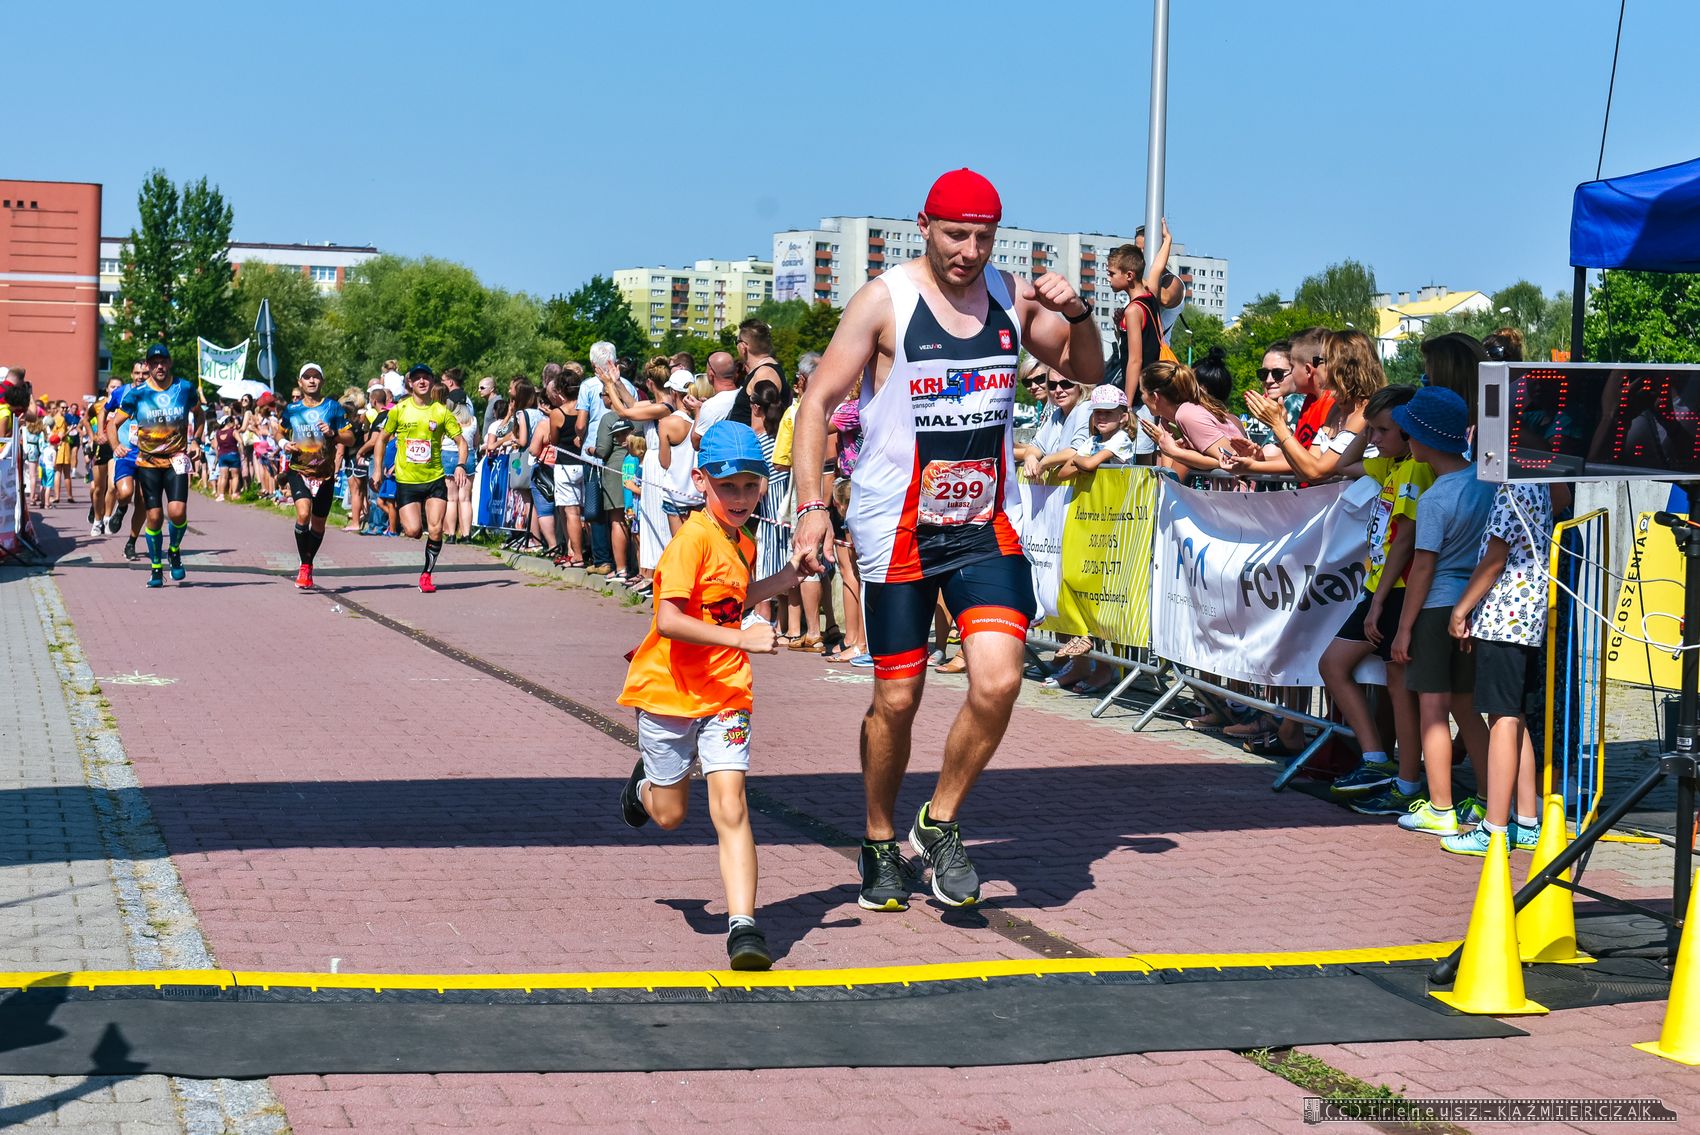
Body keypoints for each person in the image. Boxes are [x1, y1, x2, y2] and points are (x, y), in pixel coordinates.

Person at [790, 168, 1103, 910]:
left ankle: (940, 820)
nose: (969, 251)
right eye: (956, 235)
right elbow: (817, 402)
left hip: (984, 523)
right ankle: (878, 838)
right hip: (897, 525)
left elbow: (1087, 369)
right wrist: (811, 505)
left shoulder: (1010, 295)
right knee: (897, 698)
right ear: (924, 226)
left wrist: (1081, 311)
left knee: (998, 680)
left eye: (984, 238)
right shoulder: (884, 301)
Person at [617, 421, 799, 971]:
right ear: (701, 481)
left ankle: (744, 927)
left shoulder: (743, 542)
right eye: (728, 487)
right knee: (670, 816)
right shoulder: (690, 541)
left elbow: (731, 600)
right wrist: (744, 638)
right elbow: (670, 620)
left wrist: (787, 576)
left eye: (750, 485)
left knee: (731, 806)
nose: (741, 498)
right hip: (670, 693)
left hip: (726, 691)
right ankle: (644, 785)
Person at [1311, 386, 1432, 813]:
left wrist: (1378, 601)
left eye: (1383, 431)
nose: (1375, 438)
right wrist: (1367, 427)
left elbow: (1406, 541)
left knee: (1400, 688)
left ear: (1410, 432)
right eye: (1373, 430)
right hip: (1379, 589)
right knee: (1335, 665)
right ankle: (1378, 760)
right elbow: (1343, 464)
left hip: (1397, 591)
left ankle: (1407, 781)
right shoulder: (1391, 464)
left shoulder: (1417, 468)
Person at [1388, 386, 1493, 837]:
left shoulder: (1434, 499)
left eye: (1409, 432)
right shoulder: (1486, 485)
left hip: (1435, 610)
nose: (1406, 439)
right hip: (1474, 607)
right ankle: (1490, 799)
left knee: (1432, 708)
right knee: (1468, 709)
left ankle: (1440, 806)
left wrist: (1403, 629)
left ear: (1425, 439)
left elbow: (1424, 567)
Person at [1441, 481, 1554, 855]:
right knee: (1515, 717)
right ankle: (1526, 822)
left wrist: (1461, 609)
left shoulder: (1511, 490)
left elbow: (1494, 559)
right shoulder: (1539, 485)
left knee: (1502, 718)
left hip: (1505, 617)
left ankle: (1494, 827)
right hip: (1527, 616)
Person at [108, 343, 204, 587]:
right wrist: (115, 446)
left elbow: (200, 414)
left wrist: (196, 440)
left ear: (169, 363)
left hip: (177, 458)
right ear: (148, 366)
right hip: (148, 462)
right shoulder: (138, 393)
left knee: (177, 512)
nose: (159, 366)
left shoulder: (184, 388)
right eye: (154, 363)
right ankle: (156, 568)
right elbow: (112, 423)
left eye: (163, 362)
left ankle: (174, 550)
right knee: (154, 516)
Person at [376, 364, 469, 592]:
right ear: (410, 383)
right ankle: (418, 525)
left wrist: (460, 465)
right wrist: (378, 469)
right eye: (416, 378)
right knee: (413, 531)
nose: (421, 381)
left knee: (436, 530)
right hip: (407, 481)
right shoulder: (399, 410)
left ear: (432, 381)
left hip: (434, 478)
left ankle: (426, 574)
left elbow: (462, 442)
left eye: (425, 377)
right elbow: (382, 439)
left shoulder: (441, 412)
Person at [280, 364, 355, 589]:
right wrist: (283, 443)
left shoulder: (332, 407)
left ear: (322, 381)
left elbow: (351, 438)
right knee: (303, 514)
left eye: (316, 377)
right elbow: (279, 431)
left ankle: (308, 563)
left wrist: (333, 434)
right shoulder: (292, 409)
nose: (312, 381)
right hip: (299, 470)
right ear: (300, 382)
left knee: (319, 525)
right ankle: (305, 566)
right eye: (307, 377)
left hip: (325, 475)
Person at [103, 361, 149, 559]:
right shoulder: (121, 392)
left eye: (145, 373)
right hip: (126, 453)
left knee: (143, 501)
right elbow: (104, 411)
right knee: (125, 492)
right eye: (137, 373)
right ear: (131, 374)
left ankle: (131, 542)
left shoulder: (157, 394)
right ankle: (121, 508)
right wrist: (109, 440)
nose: (140, 377)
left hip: (148, 456)